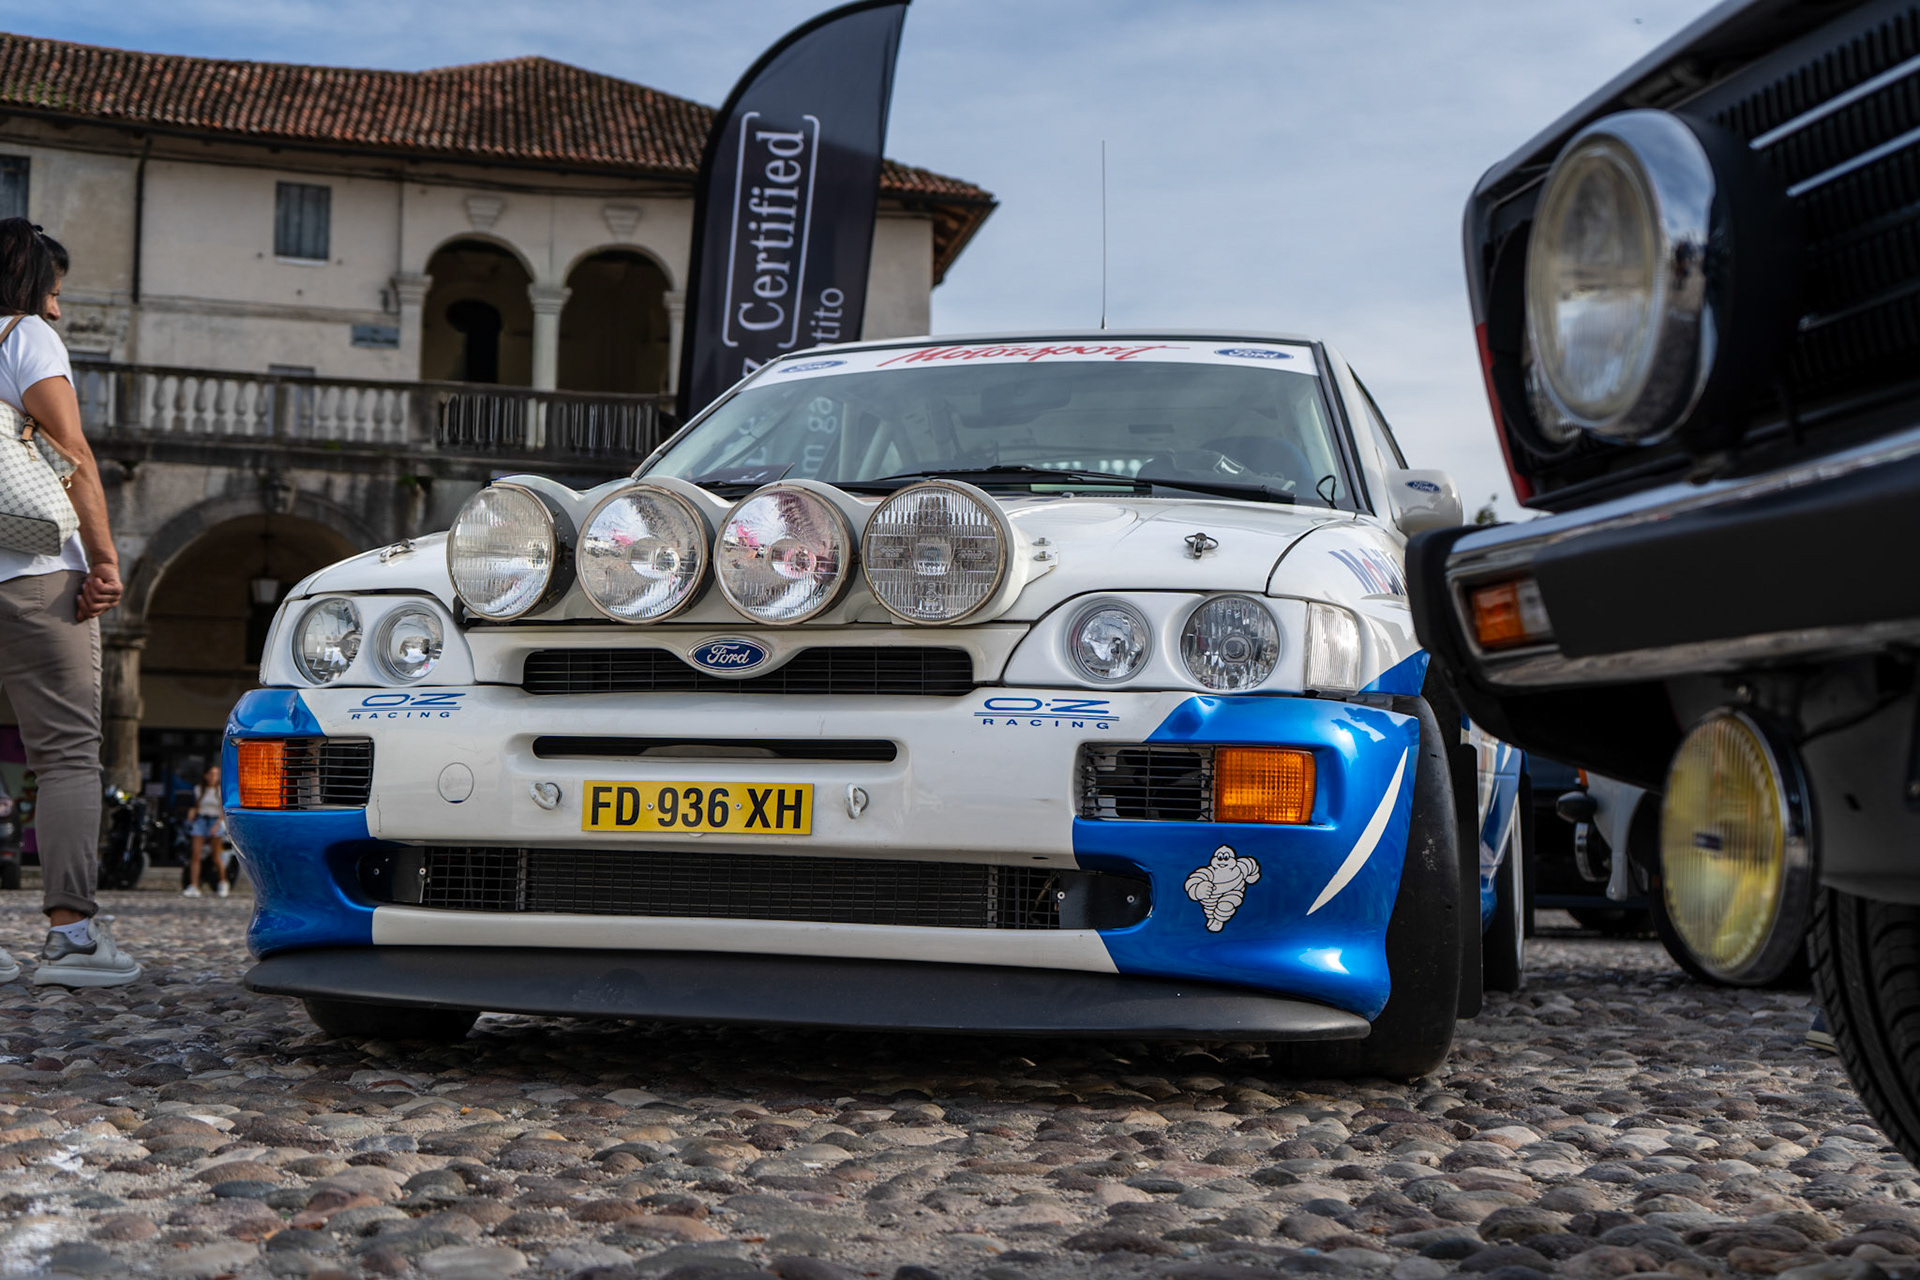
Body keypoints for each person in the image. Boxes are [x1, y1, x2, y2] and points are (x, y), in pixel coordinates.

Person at [0, 218, 139, 987]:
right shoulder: (24, 336)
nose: (55, 308)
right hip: (30, 571)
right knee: (64, 756)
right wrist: (105, 559)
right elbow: (73, 455)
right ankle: (72, 937)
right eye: (51, 291)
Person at [184, 764, 227, 898]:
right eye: (211, 774)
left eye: (216, 774)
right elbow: (197, 805)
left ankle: (223, 882)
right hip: (201, 820)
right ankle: (194, 885)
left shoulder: (220, 790)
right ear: (206, 775)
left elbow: (222, 810)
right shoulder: (199, 789)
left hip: (215, 820)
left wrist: (218, 824)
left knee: (215, 856)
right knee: (196, 855)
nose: (214, 777)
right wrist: (192, 811)